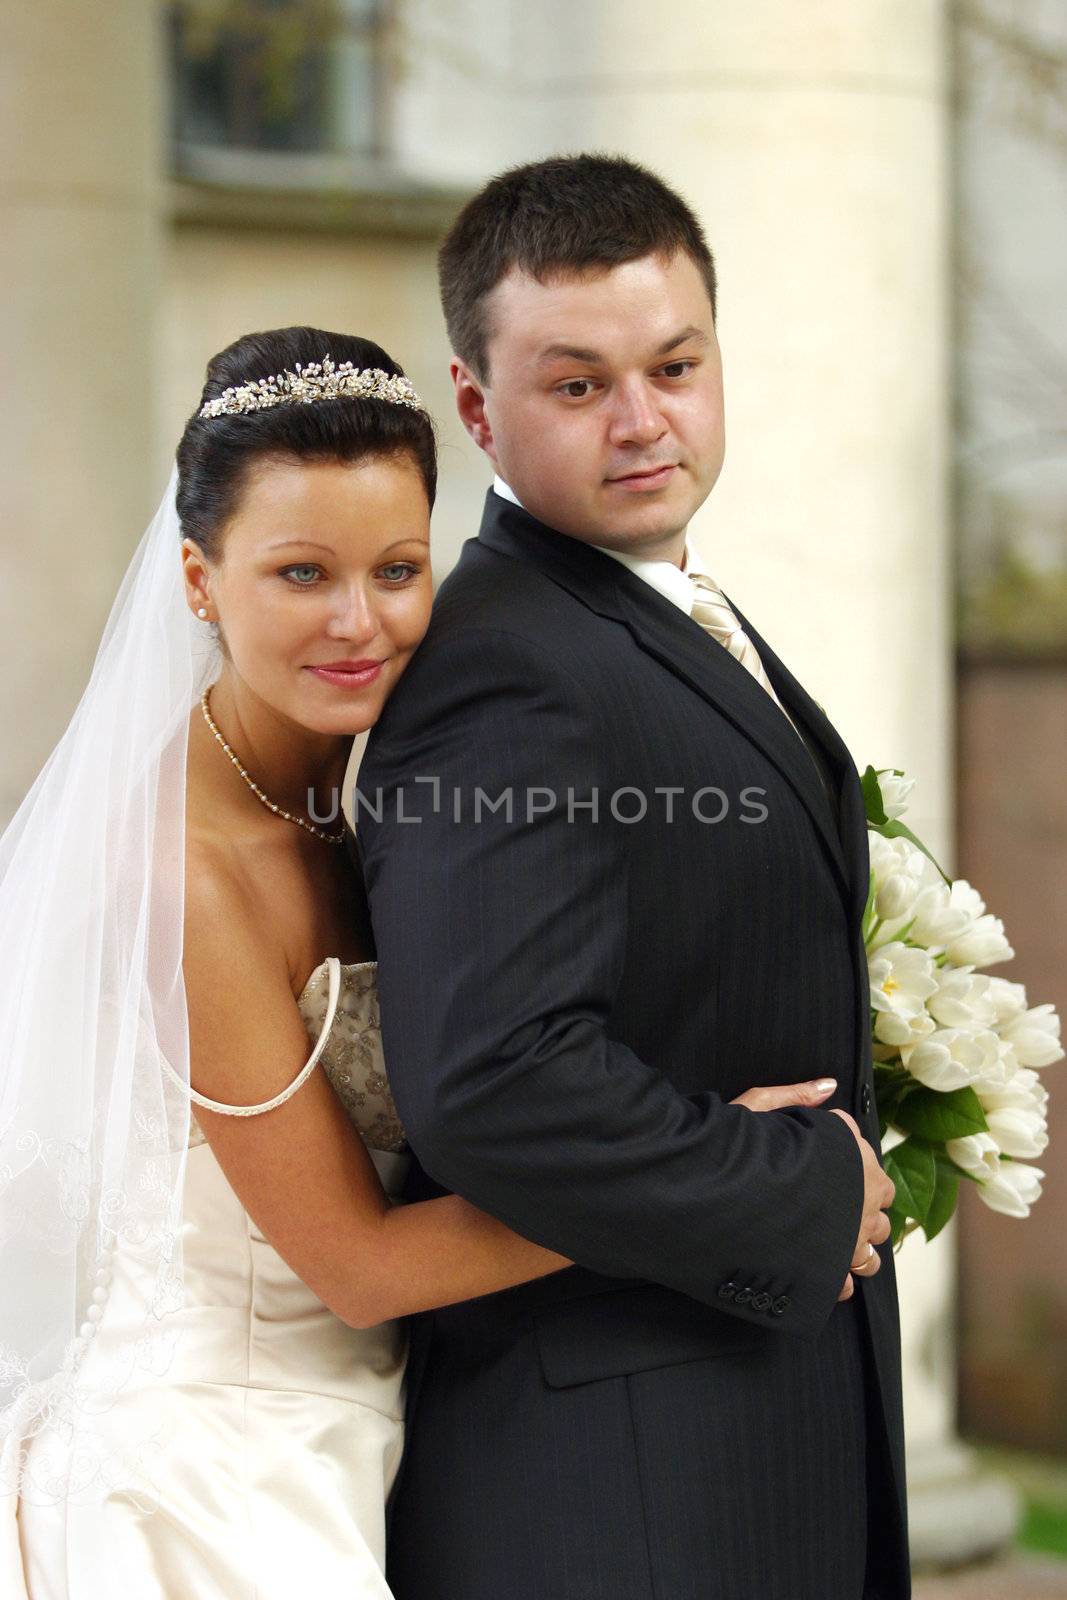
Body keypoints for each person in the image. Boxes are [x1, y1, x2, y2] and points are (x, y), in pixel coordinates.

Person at [0, 324, 835, 1599]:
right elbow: (355, 1264)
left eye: (396, 569)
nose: (358, 623)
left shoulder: (374, 786)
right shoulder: (179, 876)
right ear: (196, 579)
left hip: (397, 1431)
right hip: (215, 1472)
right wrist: (718, 1174)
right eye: (298, 573)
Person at [358, 154, 908, 1600]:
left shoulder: (644, 610)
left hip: (732, 1443)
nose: (643, 421)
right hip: (624, 1494)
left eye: (672, 364)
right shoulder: (504, 671)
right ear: (476, 409)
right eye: (577, 385)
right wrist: (794, 1187)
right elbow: (494, 1080)